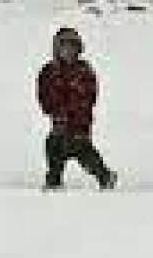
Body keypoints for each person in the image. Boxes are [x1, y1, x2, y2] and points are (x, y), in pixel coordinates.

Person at [37, 27, 117, 191]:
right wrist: (54, 109)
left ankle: (104, 176)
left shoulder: (84, 70)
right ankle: (54, 179)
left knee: (81, 149)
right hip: (59, 120)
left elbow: (90, 95)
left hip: (80, 120)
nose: (68, 52)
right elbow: (43, 94)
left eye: (72, 48)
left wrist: (76, 110)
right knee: (54, 146)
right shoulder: (49, 71)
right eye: (63, 48)